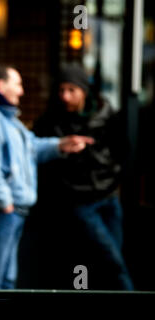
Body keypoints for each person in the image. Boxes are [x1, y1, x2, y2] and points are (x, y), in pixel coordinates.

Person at [0, 64, 94, 289]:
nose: (22, 91)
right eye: (17, 84)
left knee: (4, 282)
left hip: (8, 214)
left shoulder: (7, 119)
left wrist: (61, 145)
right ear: (0, 86)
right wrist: (5, 203)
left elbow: (31, 146)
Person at [33, 64, 134, 290]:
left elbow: (123, 150)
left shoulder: (106, 114)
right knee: (112, 260)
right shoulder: (51, 121)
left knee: (111, 257)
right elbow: (43, 161)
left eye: (71, 90)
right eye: (61, 90)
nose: (65, 96)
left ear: (84, 91)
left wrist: (109, 170)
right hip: (79, 202)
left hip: (109, 197)